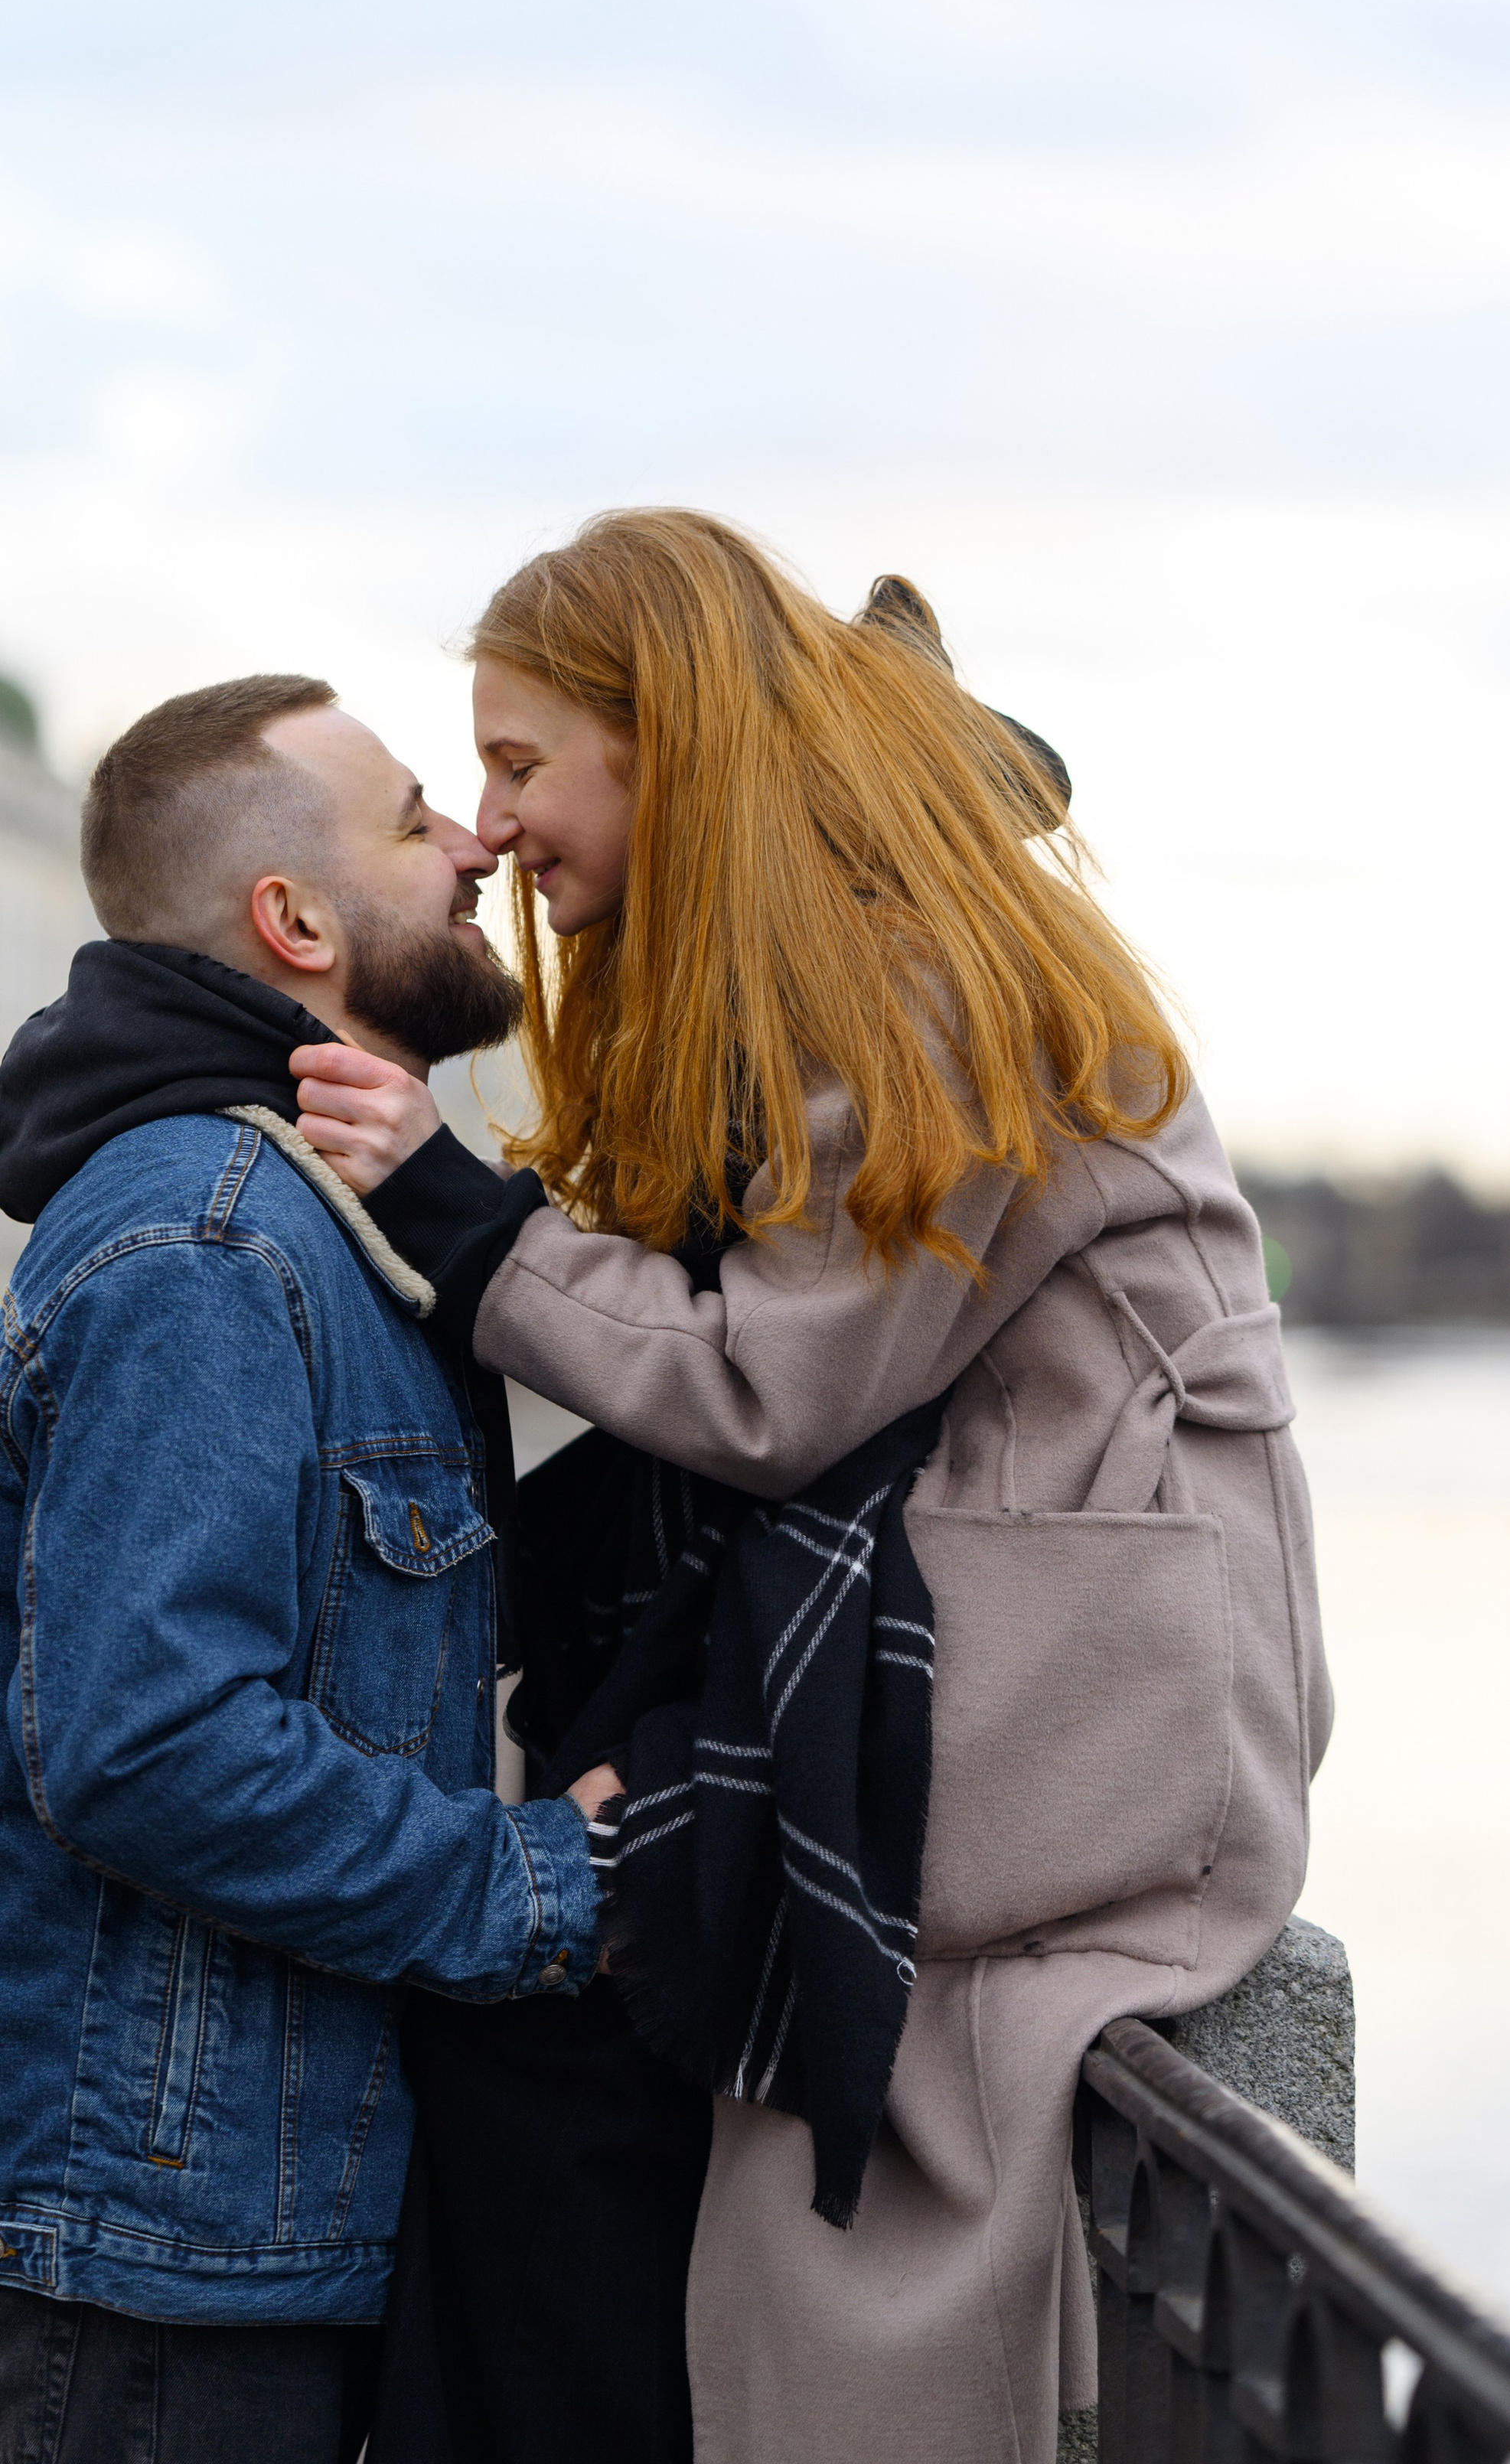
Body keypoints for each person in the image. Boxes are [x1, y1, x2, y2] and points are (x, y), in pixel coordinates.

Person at [298, 510, 1336, 2464]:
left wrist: (452, 1207)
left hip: (1083, 1723)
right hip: (982, 1660)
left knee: (560, 2033)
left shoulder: (933, 980)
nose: (494, 824)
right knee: (546, 2025)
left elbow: (771, 1385)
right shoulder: (854, 963)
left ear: (670, 740)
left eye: (521, 761)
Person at [0, 676, 615, 2464]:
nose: (475, 844)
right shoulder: (210, 1241)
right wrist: (543, 1885)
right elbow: (145, 1743)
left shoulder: (303, 1216)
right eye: (418, 816)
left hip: (223, 2243)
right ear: (296, 920)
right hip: (152, 2280)